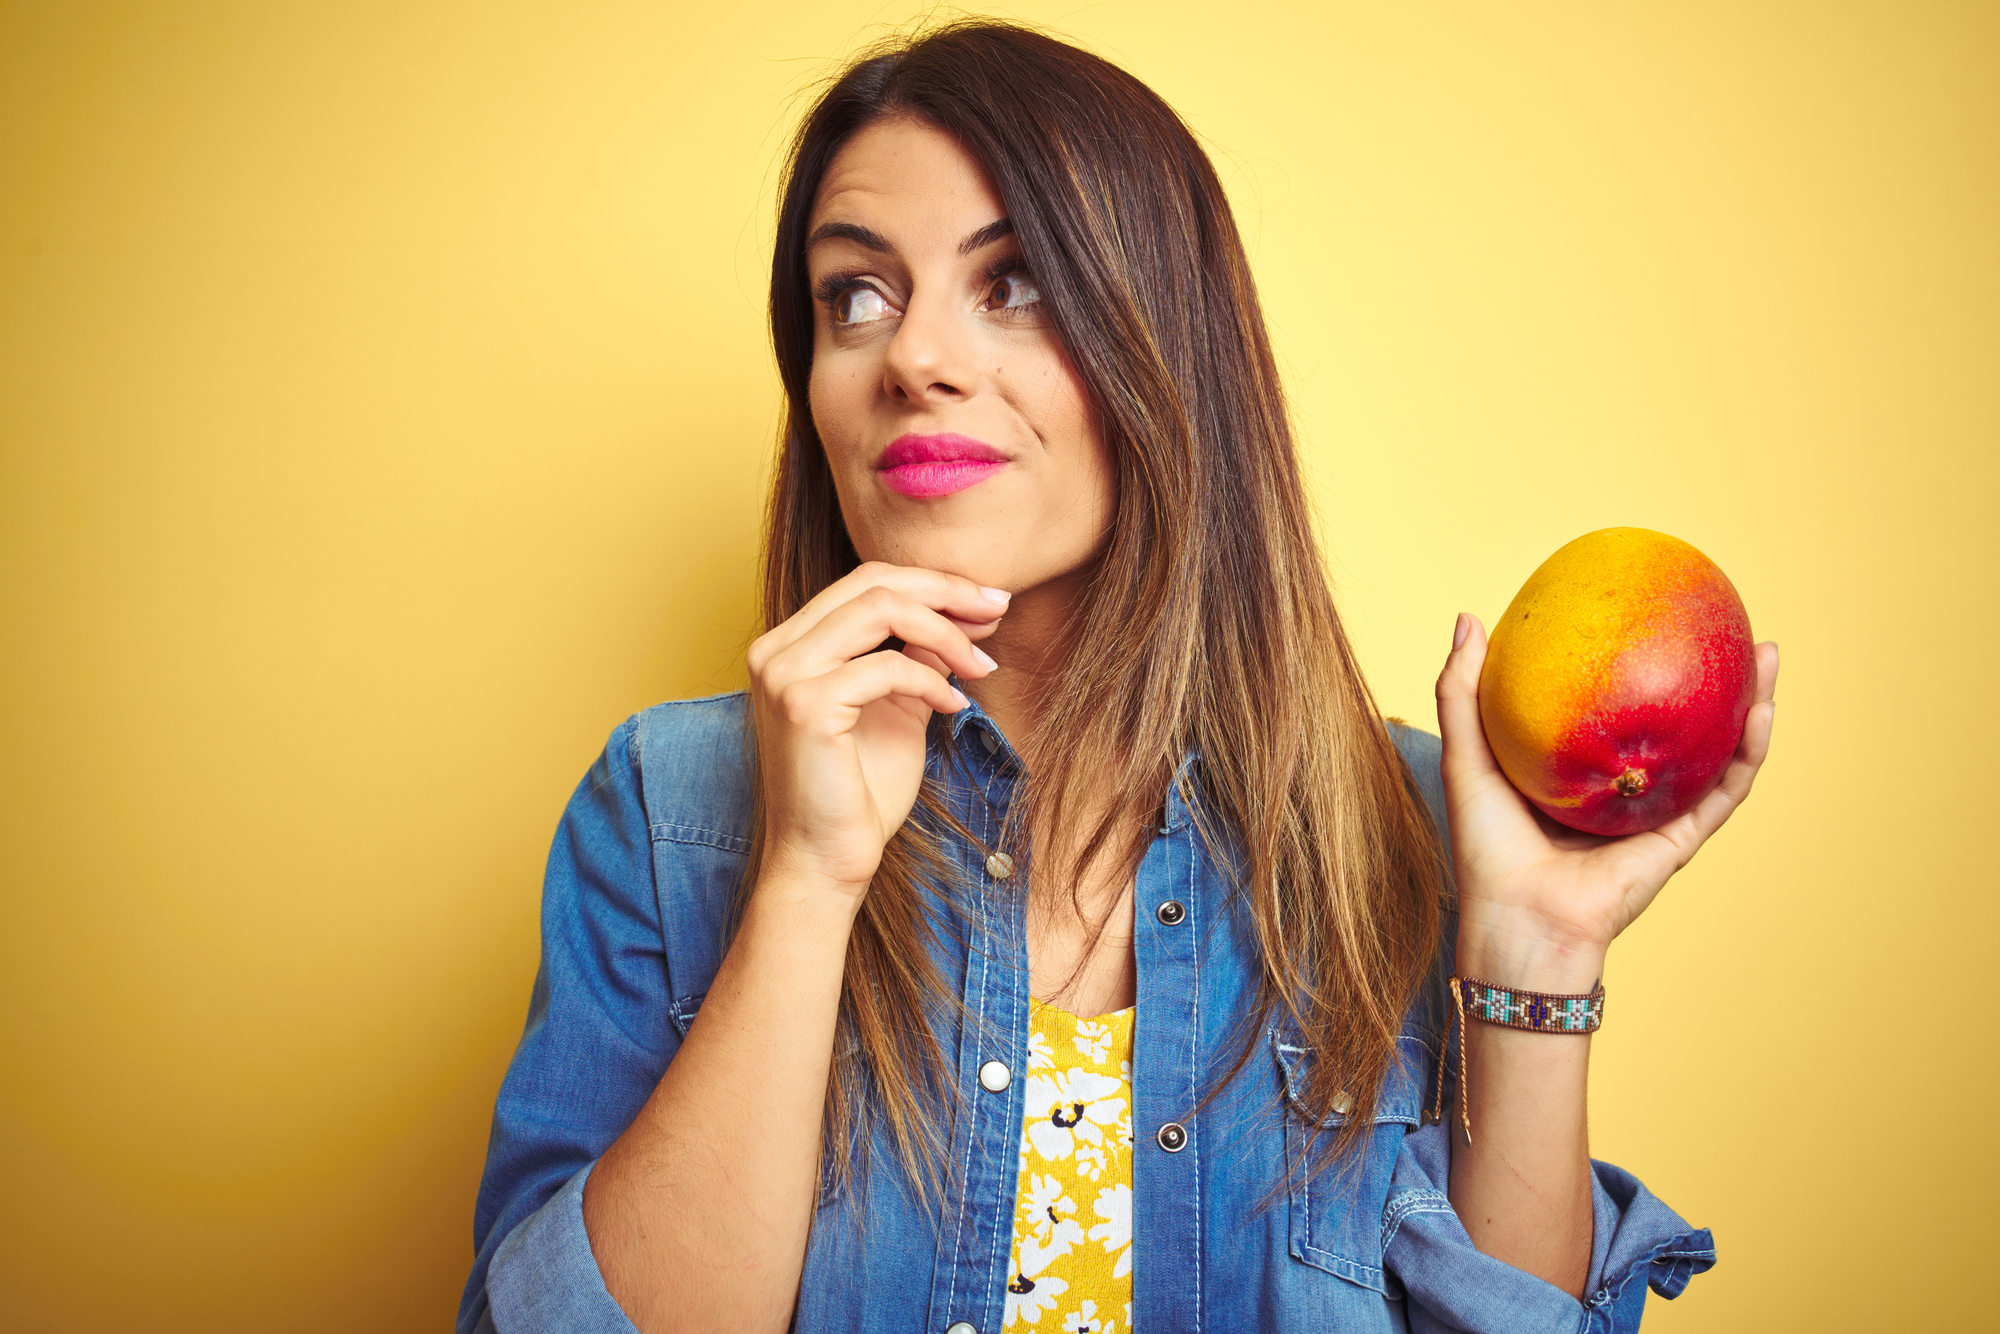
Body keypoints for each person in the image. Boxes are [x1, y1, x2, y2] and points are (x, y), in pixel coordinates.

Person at [457, 21, 1777, 1334]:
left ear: (1166, 342)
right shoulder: (669, 809)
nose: (911, 357)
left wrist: (1533, 961)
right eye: (855, 294)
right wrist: (806, 882)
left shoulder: (1421, 834)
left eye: (1016, 281)